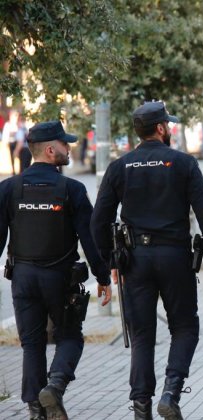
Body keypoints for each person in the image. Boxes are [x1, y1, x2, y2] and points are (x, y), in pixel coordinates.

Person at [90, 101, 203, 420]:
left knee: (141, 335)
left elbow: (98, 222)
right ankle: (171, 391)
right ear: (162, 129)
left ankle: (141, 408)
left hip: (134, 259)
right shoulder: (183, 164)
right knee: (184, 326)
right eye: (170, 125)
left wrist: (111, 261)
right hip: (175, 257)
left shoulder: (119, 167)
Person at [0, 120, 111, 420]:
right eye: (65, 144)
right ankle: (56, 385)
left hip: (22, 278)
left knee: (31, 344)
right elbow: (90, 239)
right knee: (70, 337)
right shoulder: (71, 190)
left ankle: (36, 410)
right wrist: (104, 277)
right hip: (59, 279)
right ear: (51, 150)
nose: (69, 147)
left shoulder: (9, 189)